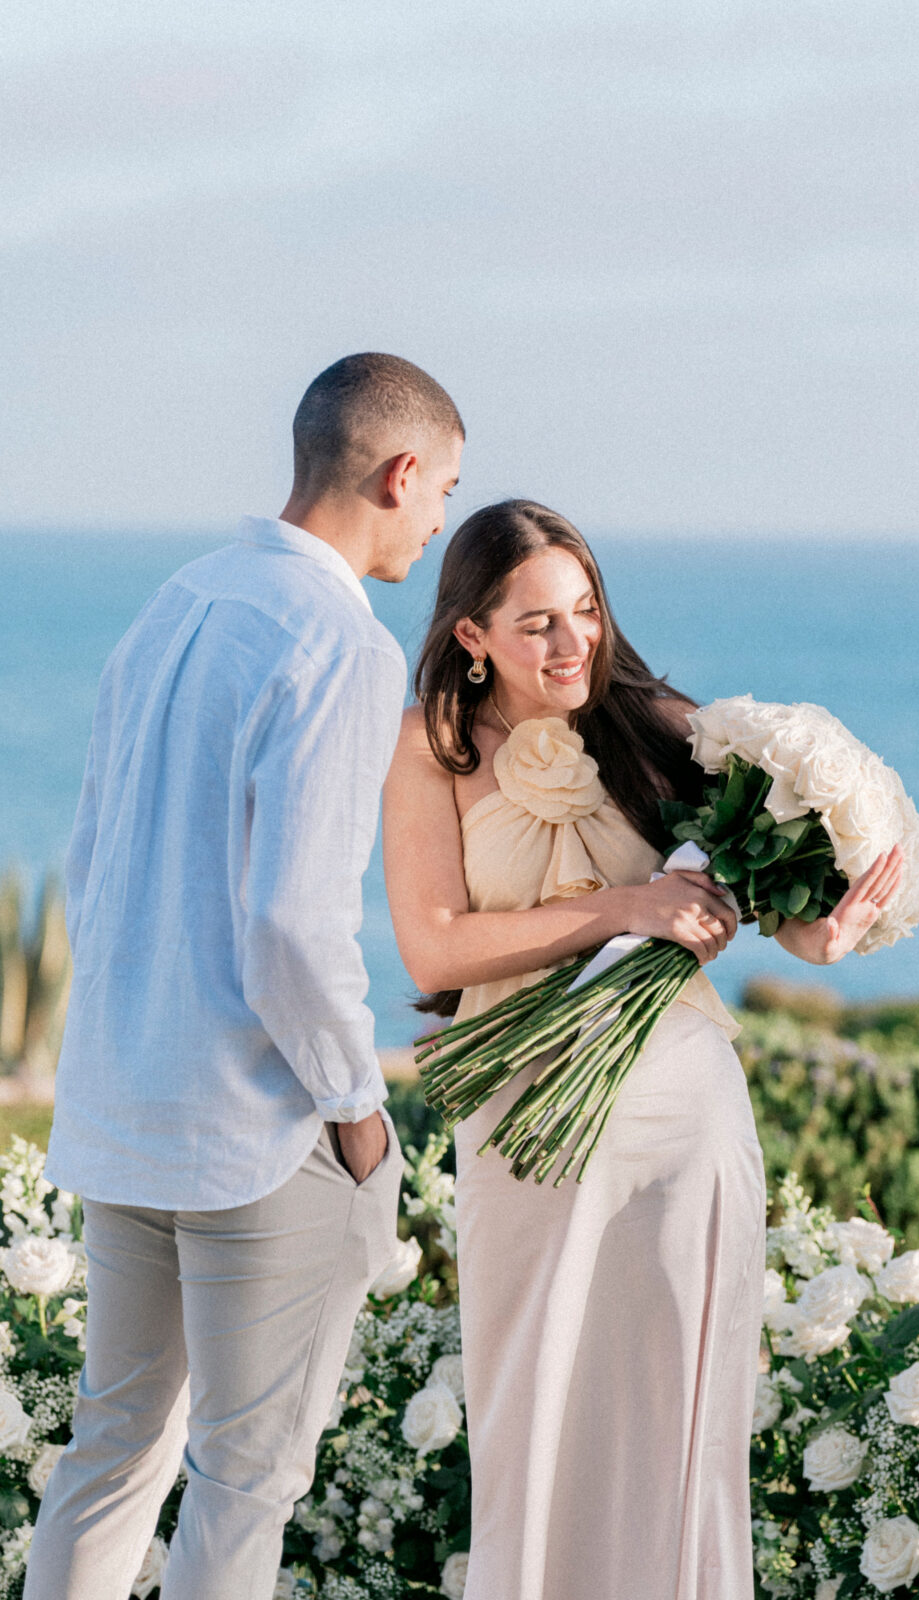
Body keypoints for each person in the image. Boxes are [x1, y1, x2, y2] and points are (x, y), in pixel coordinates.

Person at [383, 499, 904, 1600]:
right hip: (525, 1119)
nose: (574, 645)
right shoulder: (430, 744)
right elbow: (434, 944)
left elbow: (775, 907)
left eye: (586, 611)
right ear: (471, 636)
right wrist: (631, 906)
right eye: (537, 625)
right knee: (533, 1397)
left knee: (678, 1406)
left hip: (681, 1110)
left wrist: (832, 929)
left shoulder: (654, 719)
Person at [26, 354, 465, 1600]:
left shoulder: (174, 603)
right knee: (245, 1479)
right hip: (257, 1132)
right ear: (398, 472)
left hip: (124, 1105)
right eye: (443, 490)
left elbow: (92, 857)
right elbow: (291, 920)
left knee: (112, 1449)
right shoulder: (342, 640)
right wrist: (359, 1113)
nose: (439, 522)